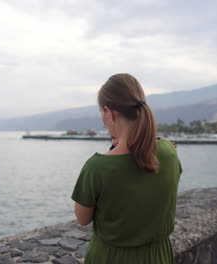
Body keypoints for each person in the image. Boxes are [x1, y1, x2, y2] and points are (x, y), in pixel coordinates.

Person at [71, 73, 182, 263]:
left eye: (102, 112)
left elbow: (83, 219)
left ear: (110, 112)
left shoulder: (98, 167)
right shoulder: (170, 152)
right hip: (158, 256)